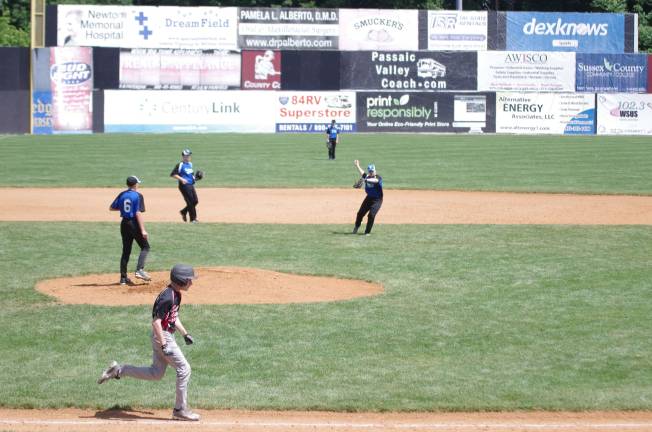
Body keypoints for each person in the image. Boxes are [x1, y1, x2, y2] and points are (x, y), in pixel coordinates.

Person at [98, 264, 201, 422]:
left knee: (156, 373)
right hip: (163, 336)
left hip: (163, 335)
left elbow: (172, 317)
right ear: (181, 280)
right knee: (184, 369)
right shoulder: (168, 296)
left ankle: (119, 370)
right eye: (189, 280)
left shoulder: (175, 294)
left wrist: (185, 333)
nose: (192, 283)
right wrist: (164, 344)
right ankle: (180, 410)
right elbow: (156, 322)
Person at [109, 176, 151, 285]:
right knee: (145, 247)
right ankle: (139, 270)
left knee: (126, 251)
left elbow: (112, 207)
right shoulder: (138, 195)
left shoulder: (122, 194)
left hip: (124, 224)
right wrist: (143, 230)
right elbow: (138, 212)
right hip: (134, 224)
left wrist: (123, 208)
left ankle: (123, 279)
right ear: (135, 184)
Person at [352, 160, 383, 235]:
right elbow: (362, 173)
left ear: (375, 171)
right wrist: (357, 165)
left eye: (373, 171)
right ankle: (356, 226)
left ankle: (367, 232)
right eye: (370, 171)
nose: (371, 172)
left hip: (377, 200)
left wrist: (365, 179)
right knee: (360, 213)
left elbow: (375, 181)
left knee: (371, 215)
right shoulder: (367, 176)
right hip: (369, 198)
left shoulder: (378, 178)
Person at [170, 149, 199, 223]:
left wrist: (197, 178)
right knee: (190, 202)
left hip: (191, 185)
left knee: (195, 201)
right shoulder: (180, 165)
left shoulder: (190, 164)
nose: (189, 157)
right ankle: (193, 219)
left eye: (189, 155)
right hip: (184, 186)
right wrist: (181, 179)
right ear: (183, 156)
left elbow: (191, 176)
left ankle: (183, 211)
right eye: (187, 155)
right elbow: (173, 174)